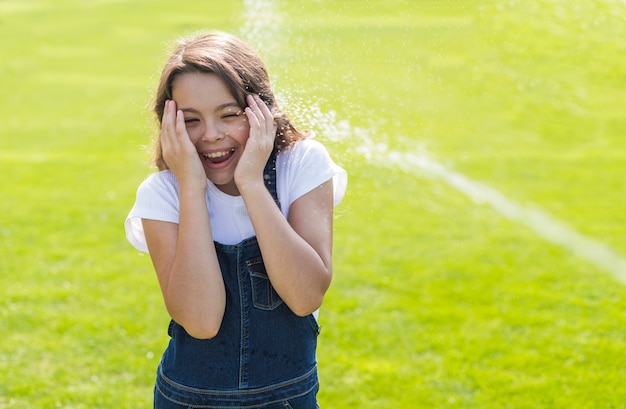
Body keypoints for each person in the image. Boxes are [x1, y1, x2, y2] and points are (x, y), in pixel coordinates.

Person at [124, 31, 347, 409]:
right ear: (169, 125)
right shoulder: (161, 195)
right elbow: (201, 320)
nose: (211, 135)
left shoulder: (302, 166)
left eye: (229, 115)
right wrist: (191, 189)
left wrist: (251, 183)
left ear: (261, 110)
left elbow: (305, 296)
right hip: (188, 400)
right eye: (190, 120)